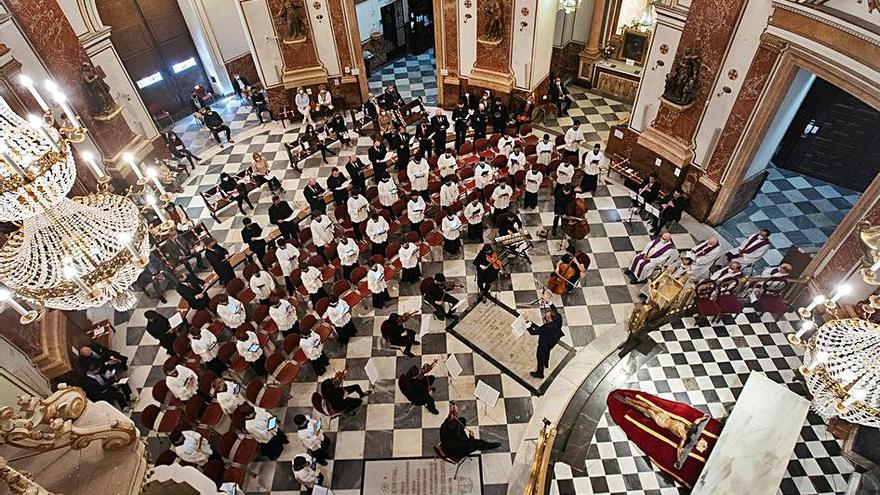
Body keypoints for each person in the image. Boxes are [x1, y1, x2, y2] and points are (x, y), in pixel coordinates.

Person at [526, 298, 564, 378]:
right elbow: (554, 309)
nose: (545, 317)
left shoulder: (548, 327)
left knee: (540, 356)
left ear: (550, 319)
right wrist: (548, 302)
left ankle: (540, 373)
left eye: (546, 317)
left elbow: (534, 332)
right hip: (554, 339)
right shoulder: (558, 317)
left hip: (545, 342)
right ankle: (546, 363)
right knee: (548, 351)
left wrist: (527, 322)